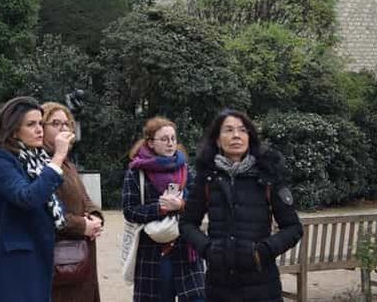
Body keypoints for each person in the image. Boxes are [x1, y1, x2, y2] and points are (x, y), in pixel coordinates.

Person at [180, 109, 303, 302]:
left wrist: (261, 251)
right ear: (218, 140)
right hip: (219, 285)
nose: (236, 135)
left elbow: (293, 228)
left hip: (261, 284)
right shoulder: (207, 178)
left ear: (249, 137)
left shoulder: (268, 175)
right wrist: (208, 249)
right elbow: (187, 224)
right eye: (228, 130)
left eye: (242, 130)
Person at [0, 96, 74, 302]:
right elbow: (27, 198)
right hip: (15, 260)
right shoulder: (0, 160)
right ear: (13, 130)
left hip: (39, 253)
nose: (39, 130)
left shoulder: (36, 159)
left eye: (40, 123)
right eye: (31, 124)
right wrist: (57, 157)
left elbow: (50, 202)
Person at [123, 117, 205, 302]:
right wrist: (160, 208)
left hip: (186, 248)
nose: (170, 143)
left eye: (173, 138)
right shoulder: (136, 172)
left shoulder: (185, 168)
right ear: (150, 143)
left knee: (198, 297)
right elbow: (129, 210)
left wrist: (181, 205)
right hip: (153, 250)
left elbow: (200, 203)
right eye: (164, 139)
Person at [41, 101, 103, 302]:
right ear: (42, 128)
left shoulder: (68, 163)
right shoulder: (42, 164)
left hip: (82, 253)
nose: (63, 128)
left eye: (66, 123)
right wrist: (82, 225)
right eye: (55, 123)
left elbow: (85, 197)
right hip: (62, 257)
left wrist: (95, 217)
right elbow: (47, 211)